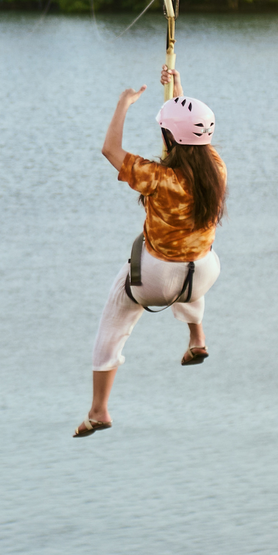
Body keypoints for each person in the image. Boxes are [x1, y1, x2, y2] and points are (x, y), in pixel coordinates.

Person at [75, 66, 226, 439]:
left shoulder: (158, 178)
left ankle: (99, 409)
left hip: (158, 279)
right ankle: (197, 338)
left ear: (168, 138)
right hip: (203, 274)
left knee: (115, 317)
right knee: (191, 263)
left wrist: (124, 104)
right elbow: (187, 138)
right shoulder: (217, 169)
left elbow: (110, 150)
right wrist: (177, 91)